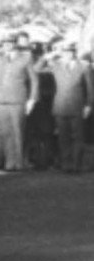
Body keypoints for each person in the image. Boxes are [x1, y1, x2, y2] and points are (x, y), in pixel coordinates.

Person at [0, 32, 37, 171]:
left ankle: (19, 162)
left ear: (15, 44)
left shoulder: (25, 58)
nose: (6, 46)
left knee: (18, 131)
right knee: (5, 132)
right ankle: (9, 161)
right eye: (4, 44)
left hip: (18, 99)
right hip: (1, 100)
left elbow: (34, 80)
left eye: (10, 43)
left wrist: (32, 99)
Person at [38, 42, 91, 173]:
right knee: (63, 137)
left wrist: (89, 105)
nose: (68, 54)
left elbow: (91, 89)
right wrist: (47, 56)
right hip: (60, 105)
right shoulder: (56, 65)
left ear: (74, 53)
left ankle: (77, 165)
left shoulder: (84, 66)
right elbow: (37, 69)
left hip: (78, 105)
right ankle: (66, 164)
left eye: (71, 52)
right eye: (65, 52)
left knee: (78, 137)